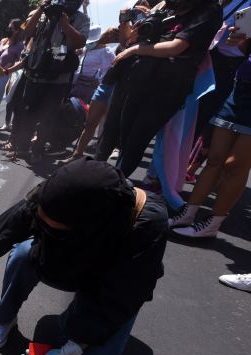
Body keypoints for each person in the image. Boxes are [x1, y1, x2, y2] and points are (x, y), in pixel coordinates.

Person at [0, 158, 168, 355]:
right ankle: (5, 318)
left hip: (108, 282)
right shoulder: (52, 196)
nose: (45, 226)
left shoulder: (145, 224)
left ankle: (76, 323)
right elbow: (2, 232)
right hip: (68, 262)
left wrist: (72, 348)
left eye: (56, 229)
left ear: (86, 226)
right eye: (42, 222)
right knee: (23, 252)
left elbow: (122, 294)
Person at [97, 0, 222, 177]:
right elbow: (128, 41)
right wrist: (137, 20)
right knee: (115, 133)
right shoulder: (165, 6)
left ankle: (114, 183)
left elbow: (176, 47)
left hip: (166, 88)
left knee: (135, 141)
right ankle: (93, 178)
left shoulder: (208, 10)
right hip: (137, 78)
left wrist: (136, 50)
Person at [167, 28, 249, 238]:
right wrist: (241, 40)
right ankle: (188, 213)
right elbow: (245, 50)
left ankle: (212, 224)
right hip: (240, 89)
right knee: (214, 159)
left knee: (235, 166)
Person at [8, 0, 89, 163]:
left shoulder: (80, 18)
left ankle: (38, 150)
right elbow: (27, 31)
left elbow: (80, 42)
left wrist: (65, 24)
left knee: (48, 116)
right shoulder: (46, 12)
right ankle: (22, 147)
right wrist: (41, 8)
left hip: (58, 76)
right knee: (28, 111)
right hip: (36, 71)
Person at [60, 27, 120, 164]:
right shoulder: (87, 49)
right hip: (79, 84)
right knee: (86, 121)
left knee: (103, 123)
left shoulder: (107, 52)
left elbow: (109, 71)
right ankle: (75, 153)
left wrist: (97, 81)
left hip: (100, 88)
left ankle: (101, 159)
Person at [0, 19, 25, 128]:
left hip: (4, 75)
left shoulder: (19, 45)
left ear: (17, 30)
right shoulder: (3, 41)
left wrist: (9, 67)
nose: (8, 29)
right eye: (8, 27)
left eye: (11, 28)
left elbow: (20, 62)